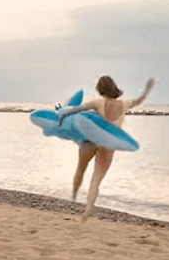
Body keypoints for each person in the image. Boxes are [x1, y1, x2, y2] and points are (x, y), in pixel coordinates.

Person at [57, 76, 155, 222]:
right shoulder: (125, 104)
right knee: (96, 181)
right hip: (108, 146)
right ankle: (87, 211)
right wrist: (147, 89)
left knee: (80, 169)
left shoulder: (98, 103)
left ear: (100, 89)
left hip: (90, 141)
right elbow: (139, 100)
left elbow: (77, 109)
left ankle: (73, 196)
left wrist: (62, 114)